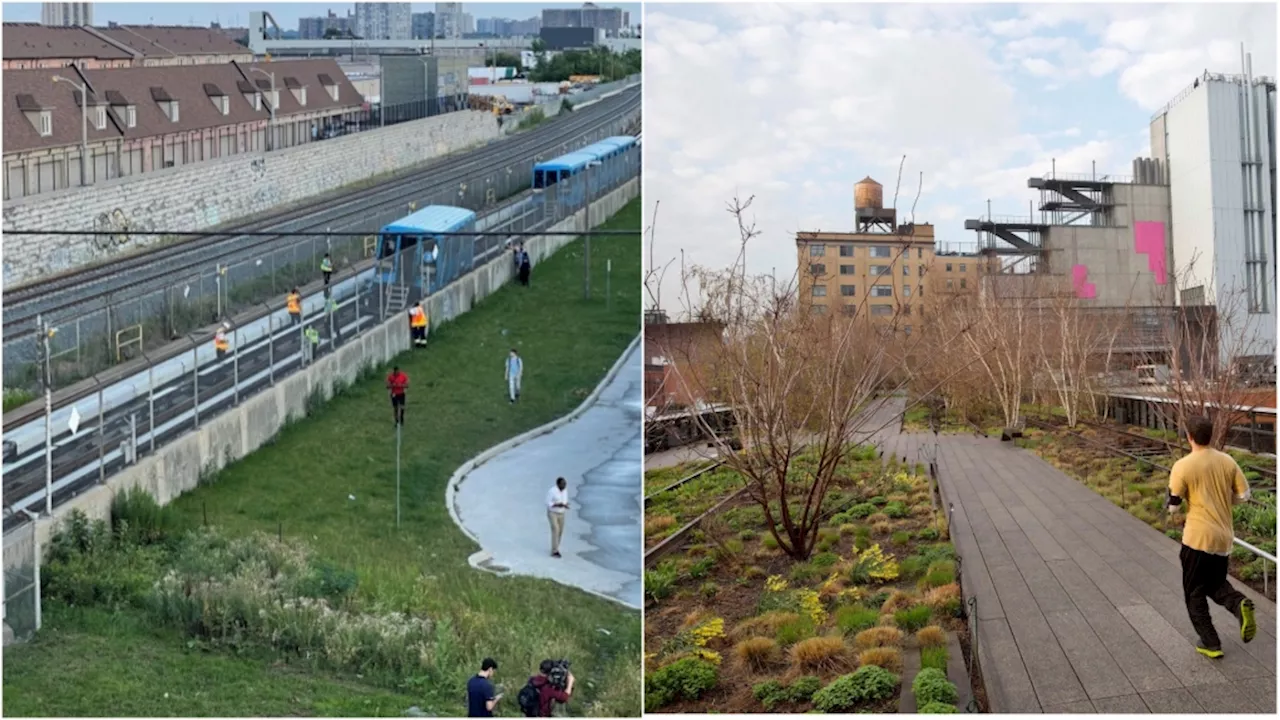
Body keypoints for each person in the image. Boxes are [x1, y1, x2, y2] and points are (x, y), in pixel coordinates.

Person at [1167, 415, 1256, 659]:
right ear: (1212, 436)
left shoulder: (1183, 466)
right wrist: (1224, 501)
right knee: (1214, 584)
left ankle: (1210, 642)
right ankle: (1238, 604)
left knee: (1194, 592)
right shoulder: (1227, 461)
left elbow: (1173, 505)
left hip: (1197, 538)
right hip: (1223, 539)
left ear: (1190, 437)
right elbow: (1245, 495)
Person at [546, 477, 569, 558]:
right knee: (555, 529)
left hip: (562, 513)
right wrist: (557, 504)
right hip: (553, 513)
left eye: (565, 483)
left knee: (560, 531)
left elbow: (565, 501)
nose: (564, 485)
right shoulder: (552, 491)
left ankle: (556, 547)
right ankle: (554, 551)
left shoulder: (565, 491)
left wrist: (565, 505)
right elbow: (548, 503)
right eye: (563, 484)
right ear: (558, 484)